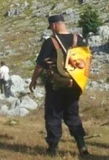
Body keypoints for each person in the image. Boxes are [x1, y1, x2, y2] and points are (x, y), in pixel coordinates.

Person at [29, 15, 89, 157]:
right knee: (72, 114)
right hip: (74, 85)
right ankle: (82, 146)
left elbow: (40, 65)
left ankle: (53, 148)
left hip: (55, 85)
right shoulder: (78, 39)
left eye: (51, 28)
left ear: (54, 25)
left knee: (53, 114)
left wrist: (33, 80)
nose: (52, 31)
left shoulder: (51, 42)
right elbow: (85, 61)